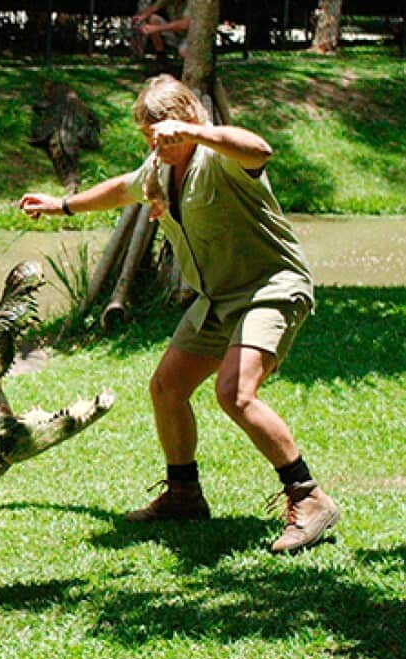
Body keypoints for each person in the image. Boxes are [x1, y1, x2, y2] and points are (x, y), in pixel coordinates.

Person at [17, 75, 340, 554]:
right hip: (215, 298)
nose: (156, 143)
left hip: (268, 288)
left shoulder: (221, 157)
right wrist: (61, 205)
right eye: (148, 135)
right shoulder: (159, 166)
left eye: (163, 131)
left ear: (187, 120)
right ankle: (184, 494)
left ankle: (309, 497)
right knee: (167, 388)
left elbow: (259, 148)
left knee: (235, 393)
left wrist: (195, 134)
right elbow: (121, 189)